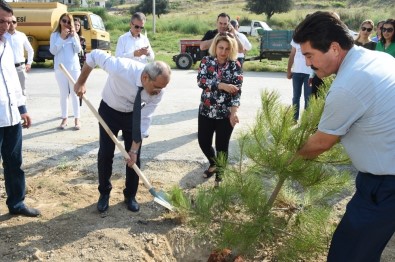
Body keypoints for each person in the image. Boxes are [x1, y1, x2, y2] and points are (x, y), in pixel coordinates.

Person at [293, 11, 395, 261]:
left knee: (348, 254)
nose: (307, 63)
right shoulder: (376, 58)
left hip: (385, 185)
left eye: (309, 55)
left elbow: (320, 143)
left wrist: (287, 160)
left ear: (335, 48)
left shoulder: (348, 84)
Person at [74, 49, 171, 213]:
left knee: (134, 157)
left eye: (162, 88)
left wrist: (133, 149)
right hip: (109, 111)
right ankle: (104, 193)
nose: (158, 92)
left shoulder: (158, 91)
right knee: (106, 154)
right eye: (156, 87)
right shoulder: (121, 67)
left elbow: (144, 120)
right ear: (146, 78)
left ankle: (130, 196)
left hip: (134, 115)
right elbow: (94, 55)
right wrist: (81, 81)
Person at [0, 0, 40, 217]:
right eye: (1, 21)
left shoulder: (7, 44)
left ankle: (16, 204)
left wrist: (22, 108)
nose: (6, 26)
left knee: (15, 162)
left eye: (8, 22)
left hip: (12, 115)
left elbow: (13, 81)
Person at [197, 32, 243, 187]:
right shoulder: (206, 61)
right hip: (206, 110)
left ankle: (219, 177)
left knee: (222, 147)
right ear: (215, 46)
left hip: (225, 114)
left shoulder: (235, 65)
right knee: (203, 142)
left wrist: (234, 113)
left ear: (232, 50)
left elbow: (237, 91)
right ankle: (213, 163)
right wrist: (221, 85)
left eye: (227, 49)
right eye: (221, 47)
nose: (223, 52)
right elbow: (201, 81)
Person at [50, 13, 82, 130]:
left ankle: (77, 118)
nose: (66, 24)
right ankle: (64, 118)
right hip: (60, 69)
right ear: (60, 21)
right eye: (64, 21)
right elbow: (53, 51)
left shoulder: (74, 35)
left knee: (75, 94)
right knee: (64, 94)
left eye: (69, 22)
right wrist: (62, 39)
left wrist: (73, 37)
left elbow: (78, 50)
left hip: (73, 68)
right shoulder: (55, 35)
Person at [4, 15, 34, 97]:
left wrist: (29, 63)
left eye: (14, 22)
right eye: (9, 22)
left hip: (20, 68)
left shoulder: (21, 35)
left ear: (16, 24)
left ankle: (23, 109)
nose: (12, 24)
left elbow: (30, 50)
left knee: (22, 92)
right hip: (7, 68)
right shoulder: (2, 36)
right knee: (8, 91)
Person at [287, 39, 313, 122]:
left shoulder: (313, 38)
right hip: (296, 73)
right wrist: (289, 70)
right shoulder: (296, 39)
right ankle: (294, 119)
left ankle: (306, 120)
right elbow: (292, 55)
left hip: (309, 73)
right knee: (296, 97)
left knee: (308, 97)